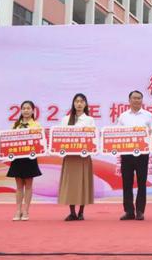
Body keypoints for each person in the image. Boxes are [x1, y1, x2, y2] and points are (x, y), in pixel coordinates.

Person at [116, 90, 152, 221]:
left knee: (142, 183)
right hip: (126, 154)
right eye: (134, 98)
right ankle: (129, 211)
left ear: (142, 100)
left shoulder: (148, 115)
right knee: (126, 183)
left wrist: (149, 134)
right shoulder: (123, 116)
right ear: (129, 100)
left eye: (139, 98)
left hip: (142, 154)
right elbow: (117, 133)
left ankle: (140, 211)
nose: (136, 100)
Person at [58, 93, 95, 221]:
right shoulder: (65, 119)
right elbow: (59, 137)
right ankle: (72, 212)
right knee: (71, 184)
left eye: (81, 101)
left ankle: (81, 212)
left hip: (83, 156)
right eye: (77, 101)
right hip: (70, 157)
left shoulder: (89, 120)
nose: (79, 104)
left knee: (83, 183)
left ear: (85, 104)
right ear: (73, 103)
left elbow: (93, 138)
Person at [7, 100, 42, 221]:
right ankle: (18, 210)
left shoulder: (36, 126)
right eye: (24, 108)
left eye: (28, 108)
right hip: (17, 158)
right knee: (19, 186)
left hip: (30, 158)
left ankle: (26, 210)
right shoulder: (15, 125)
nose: (26, 110)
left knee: (28, 186)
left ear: (33, 111)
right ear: (21, 110)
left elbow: (39, 142)